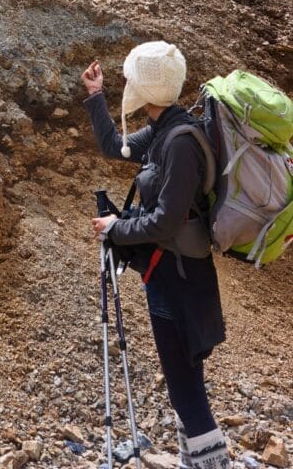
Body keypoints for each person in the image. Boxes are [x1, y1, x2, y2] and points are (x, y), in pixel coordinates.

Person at [81, 41, 230, 469]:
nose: (128, 84)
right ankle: (196, 462)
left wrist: (117, 229)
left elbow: (165, 222)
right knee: (186, 385)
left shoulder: (179, 143)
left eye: (131, 79)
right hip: (171, 275)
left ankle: (211, 465)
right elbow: (116, 146)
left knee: (185, 389)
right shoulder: (165, 129)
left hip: (181, 280)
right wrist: (96, 95)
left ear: (146, 87)